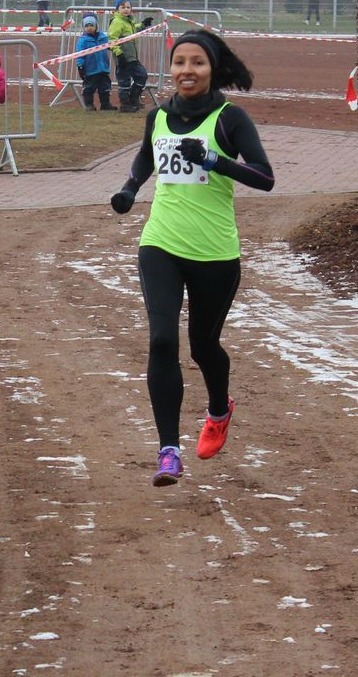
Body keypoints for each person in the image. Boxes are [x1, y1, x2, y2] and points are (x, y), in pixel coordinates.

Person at [110, 29, 275, 487]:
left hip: (215, 252)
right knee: (162, 341)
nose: (187, 70)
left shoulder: (230, 118)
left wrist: (213, 161)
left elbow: (265, 178)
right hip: (160, 243)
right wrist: (128, 189)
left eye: (197, 62)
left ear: (212, 69)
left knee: (203, 346)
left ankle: (219, 410)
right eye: (180, 62)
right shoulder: (159, 115)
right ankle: (169, 451)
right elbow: (146, 157)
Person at [108, 0, 153, 113]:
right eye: (123, 7)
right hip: (122, 59)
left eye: (128, 7)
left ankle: (133, 98)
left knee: (142, 75)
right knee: (124, 82)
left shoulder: (129, 22)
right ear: (117, 9)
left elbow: (134, 30)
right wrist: (119, 54)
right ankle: (125, 105)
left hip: (132, 58)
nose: (126, 9)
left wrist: (143, 25)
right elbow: (112, 39)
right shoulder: (117, 22)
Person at [76, 13, 117, 111]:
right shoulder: (83, 40)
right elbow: (80, 54)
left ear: (96, 26)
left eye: (91, 25)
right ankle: (89, 105)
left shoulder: (103, 37)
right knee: (89, 88)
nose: (89, 28)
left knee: (105, 87)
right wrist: (80, 66)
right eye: (86, 26)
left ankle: (105, 104)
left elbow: (110, 45)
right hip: (90, 69)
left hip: (103, 68)